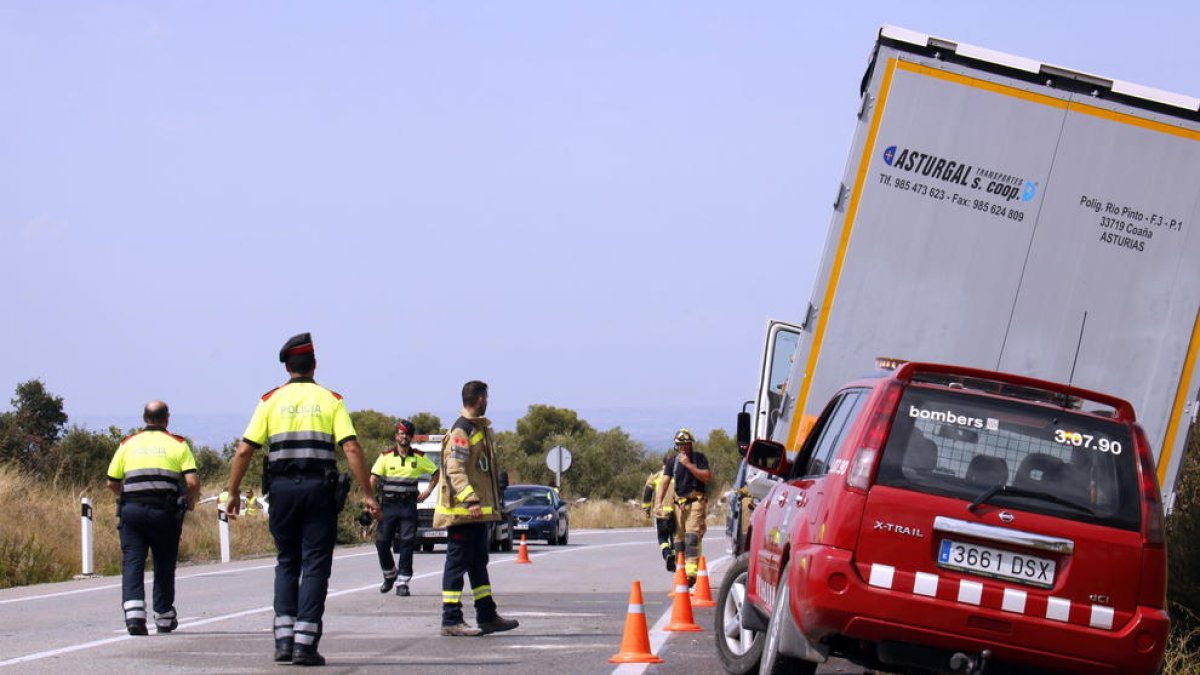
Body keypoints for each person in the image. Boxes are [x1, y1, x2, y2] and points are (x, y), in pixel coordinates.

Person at [225, 332, 381, 666]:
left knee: (287, 561)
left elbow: (243, 450)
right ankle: (305, 645)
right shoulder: (331, 400)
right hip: (318, 491)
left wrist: (234, 492)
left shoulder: (269, 400)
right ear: (314, 364)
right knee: (314, 565)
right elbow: (351, 448)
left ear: (288, 367)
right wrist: (368, 494)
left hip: (281, 491)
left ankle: (283, 641)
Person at [106, 401, 200, 636]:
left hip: (132, 511)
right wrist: (189, 502)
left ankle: (134, 615)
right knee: (164, 563)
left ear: (144, 418)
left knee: (133, 561)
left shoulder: (128, 444)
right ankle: (164, 616)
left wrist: (127, 497)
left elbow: (111, 482)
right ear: (166, 419)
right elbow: (192, 482)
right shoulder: (178, 444)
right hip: (164, 513)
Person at [435, 380, 519, 637]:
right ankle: (451, 619)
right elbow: (455, 469)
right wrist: (470, 499)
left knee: (478, 563)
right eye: (487, 398)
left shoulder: (476, 428)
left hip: (477, 514)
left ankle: (487, 614)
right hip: (464, 513)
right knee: (456, 564)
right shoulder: (462, 431)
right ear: (481, 399)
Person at [371, 418, 440, 597]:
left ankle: (403, 581)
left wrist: (428, 491)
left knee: (408, 543)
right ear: (396, 436)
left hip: (408, 506)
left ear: (411, 437)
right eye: (402, 434)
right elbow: (373, 478)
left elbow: (436, 473)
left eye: (408, 435)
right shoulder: (385, 457)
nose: (405, 437)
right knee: (382, 542)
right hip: (389, 506)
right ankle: (389, 573)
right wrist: (371, 501)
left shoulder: (419, 457)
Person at [658, 428, 712, 586]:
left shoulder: (699, 458)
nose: (683, 447)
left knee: (692, 537)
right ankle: (681, 570)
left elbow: (707, 477)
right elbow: (665, 482)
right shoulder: (672, 462)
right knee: (678, 540)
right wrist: (659, 502)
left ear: (691, 444)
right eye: (680, 444)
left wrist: (688, 465)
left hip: (695, 502)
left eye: (686, 444)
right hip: (678, 505)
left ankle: (691, 574)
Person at [640, 451, 676, 572]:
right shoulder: (678, 476)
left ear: (663, 463)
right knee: (674, 537)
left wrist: (646, 508)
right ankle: (675, 558)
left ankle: (667, 555)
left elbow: (647, 492)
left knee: (662, 537)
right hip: (675, 513)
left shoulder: (656, 476)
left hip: (661, 514)